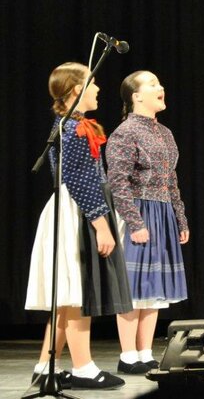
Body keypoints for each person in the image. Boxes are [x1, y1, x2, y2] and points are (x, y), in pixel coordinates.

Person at [25, 62, 128, 390]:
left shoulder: (70, 125)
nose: (97, 89)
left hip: (73, 209)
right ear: (75, 91)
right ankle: (83, 367)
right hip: (77, 211)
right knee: (77, 293)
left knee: (67, 294)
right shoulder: (72, 129)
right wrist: (101, 224)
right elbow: (79, 179)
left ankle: (45, 366)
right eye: (92, 84)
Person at [106, 70, 189, 375]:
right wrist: (134, 221)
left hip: (163, 211)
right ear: (136, 96)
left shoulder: (165, 132)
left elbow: (172, 180)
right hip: (138, 211)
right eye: (153, 84)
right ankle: (127, 354)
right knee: (133, 287)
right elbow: (117, 181)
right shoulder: (125, 132)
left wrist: (179, 216)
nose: (161, 86)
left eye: (159, 82)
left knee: (153, 287)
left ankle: (144, 351)